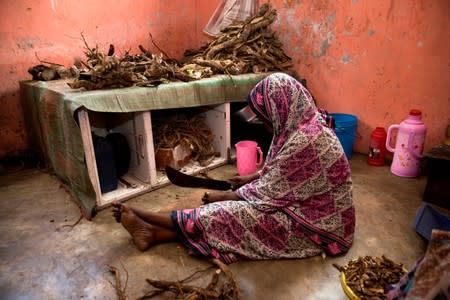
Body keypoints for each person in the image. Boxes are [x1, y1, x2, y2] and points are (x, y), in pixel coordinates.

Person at [112, 72, 355, 264]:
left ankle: (146, 216)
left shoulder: (307, 139)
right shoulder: (303, 124)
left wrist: (231, 194)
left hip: (319, 226)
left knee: (233, 213)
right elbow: (288, 174)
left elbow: (274, 191)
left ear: (283, 108)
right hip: (306, 208)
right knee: (236, 215)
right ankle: (153, 234)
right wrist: (253, 178)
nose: (265, 124)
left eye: (266, 116)